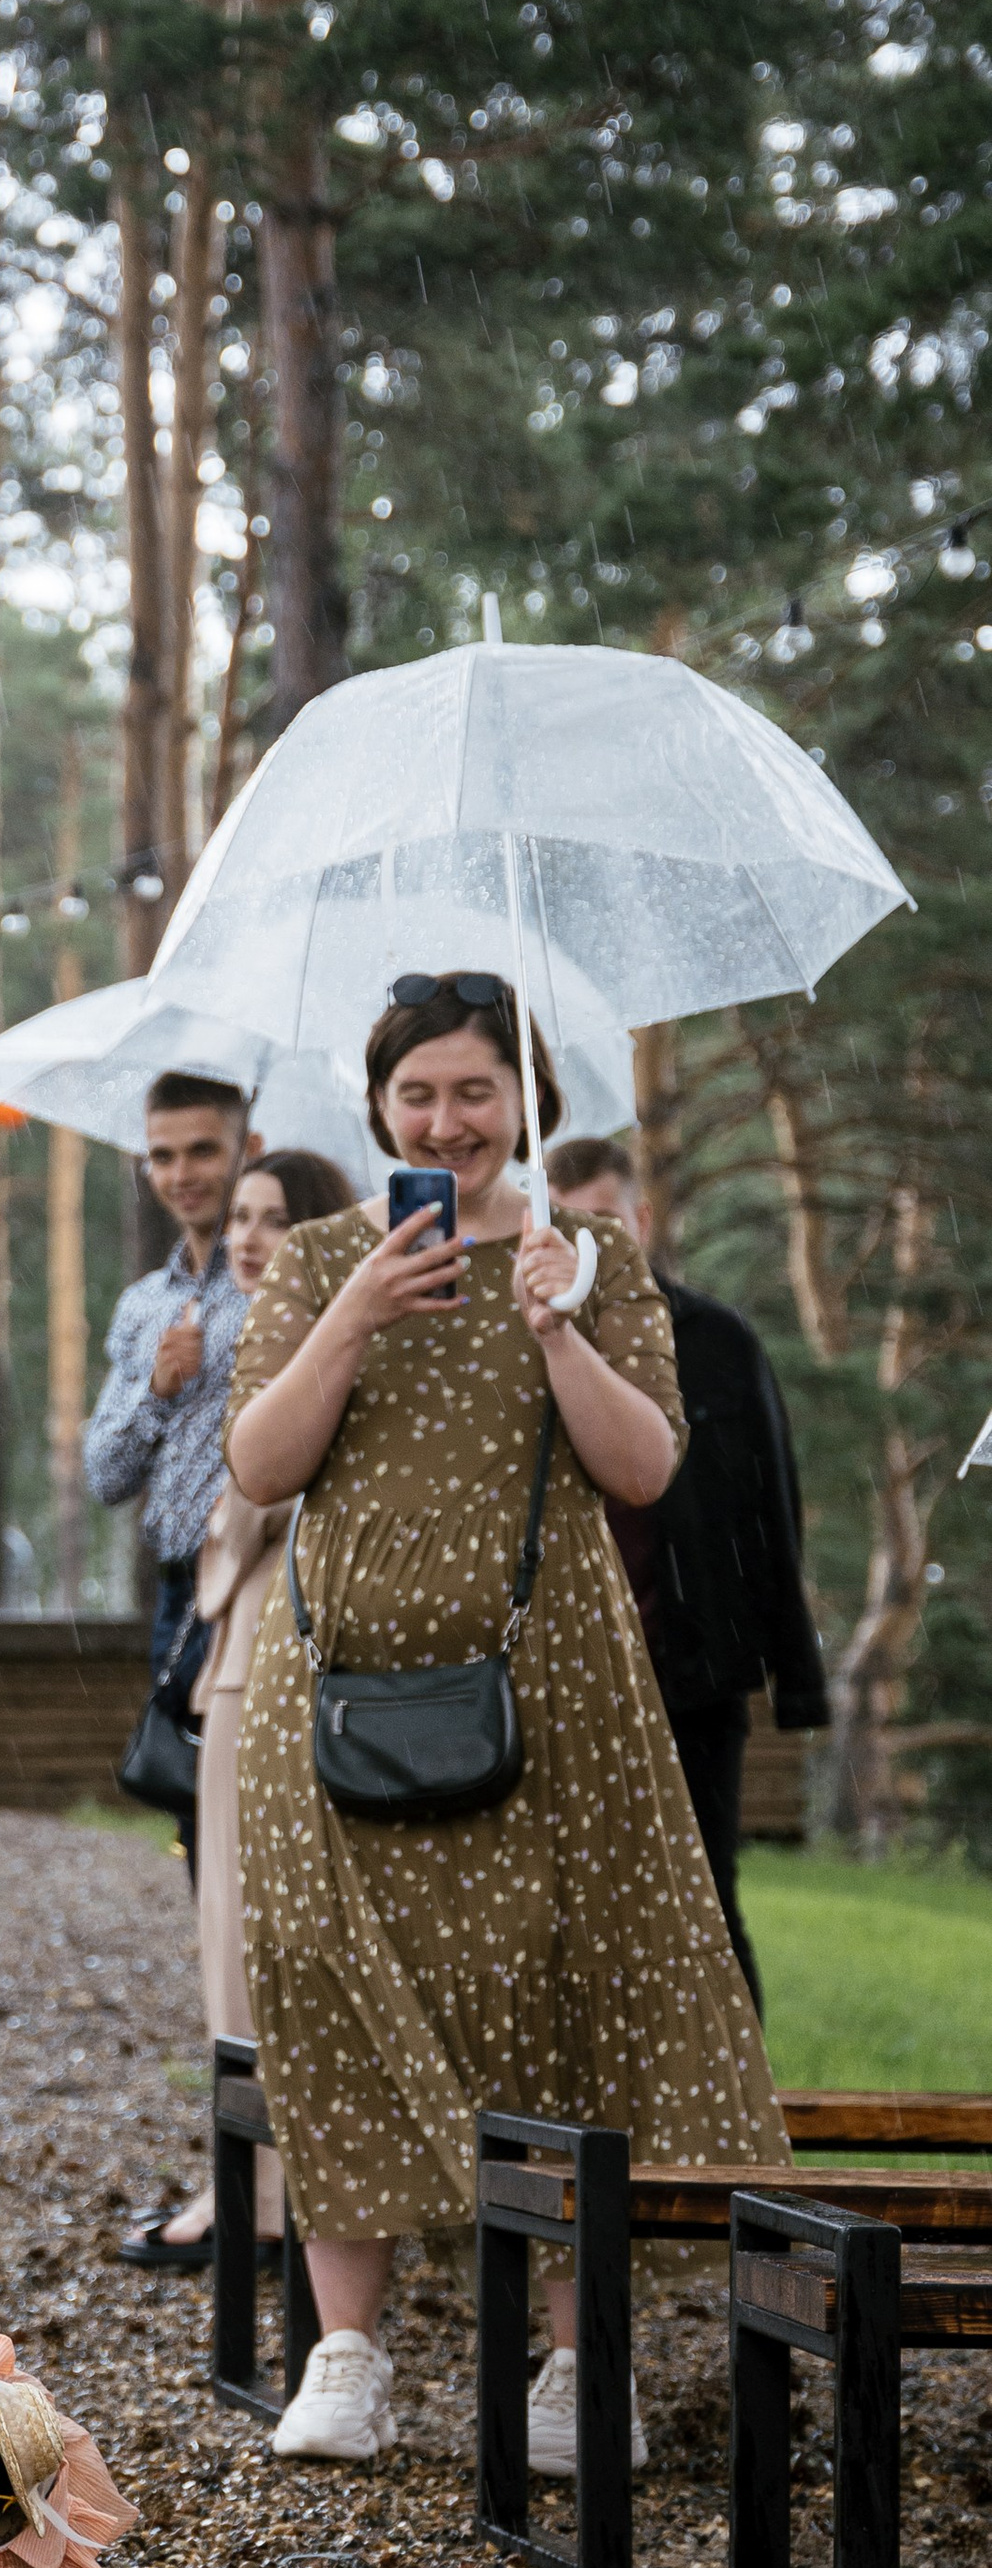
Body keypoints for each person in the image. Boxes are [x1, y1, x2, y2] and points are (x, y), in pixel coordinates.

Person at [223, 976, 788, 2475]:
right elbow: (262, 1464)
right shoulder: (321, 1257)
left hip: (554, 1692)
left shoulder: (589, 1255)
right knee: (334, 1990)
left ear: (526, 1102)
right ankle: (346, 2354)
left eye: (474, 1091)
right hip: (337, 1691)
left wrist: (558, 1328)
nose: (444, 1121)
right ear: (378, 1106)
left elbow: (645, 1467)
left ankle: (572, 2364)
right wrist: (355, 1312)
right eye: (415, 1093)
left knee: (560, 1997)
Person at [122, 1148, 358, 2272]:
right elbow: (115, 1469)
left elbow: (260, 1504)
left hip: (277, 1655)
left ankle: (262, 2197)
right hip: (237, 1649)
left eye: (279, 1220)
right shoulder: (226, 1339)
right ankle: (255, 2181)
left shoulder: (320, 1351)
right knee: (240, 1934)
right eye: (245, 1218)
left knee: (255, 1940)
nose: (251, 1239)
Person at [543, 1135, 828, 2015]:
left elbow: (770, 1503)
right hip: (560, 1676)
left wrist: (793, 1674)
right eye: (568, 1223)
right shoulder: (521, 1341)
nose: (589, 1242)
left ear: (641, 1219)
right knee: (567, 1911)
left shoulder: (714, 1339)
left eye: (604, 1220)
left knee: (704, 1902)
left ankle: (738, 2091)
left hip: (690, 1669)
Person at [84, 1070, 267, 1723]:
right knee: (179, 1771)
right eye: (162, 1156)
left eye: (203, 1150)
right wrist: (156, 1392)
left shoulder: (286, 1284)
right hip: (179, 1590)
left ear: (251, 1149)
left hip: (271, 1572)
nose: (181, 1174)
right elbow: (105, 1475)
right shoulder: (146, 1305)